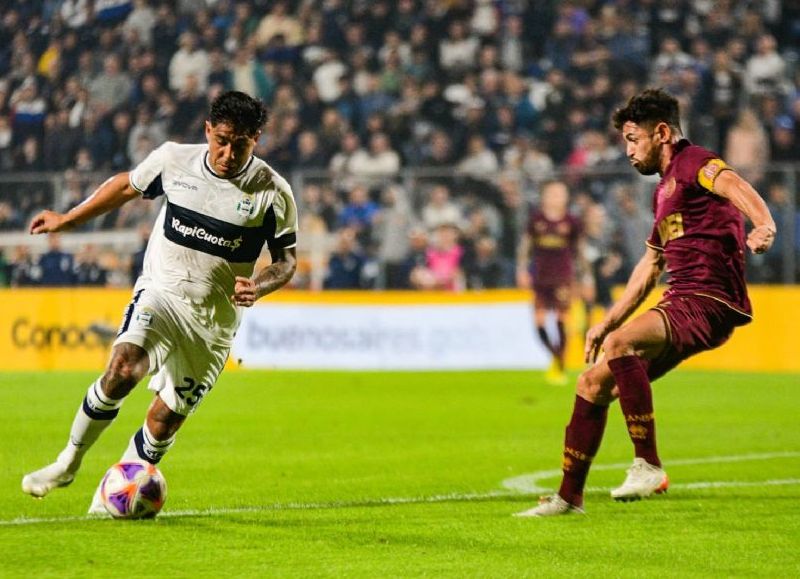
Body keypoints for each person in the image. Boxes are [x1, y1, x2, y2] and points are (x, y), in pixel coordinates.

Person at [21, 91, 298, 515]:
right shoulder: (173, 160)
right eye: (221, 139)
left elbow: (286, 261)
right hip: (162, 292)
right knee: (123, 367)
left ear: (256, 139)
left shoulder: (272, 192)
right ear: (207, 130)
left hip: (212, 321)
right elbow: (125, 186)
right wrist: (68, 219)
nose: (227, 153)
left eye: (240, 143)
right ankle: (67, 462)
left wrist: (258, 287)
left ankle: (116, 492)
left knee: (164, 419)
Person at [516, 88, 776, 517]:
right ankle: (568, 498)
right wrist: (606, 321)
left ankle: (648, 464)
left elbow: (733, 183)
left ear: (661, 133)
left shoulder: (695, 162)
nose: (628, 151)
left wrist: (763, 224)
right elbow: (650, 264)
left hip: (707, 297)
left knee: (622, 345)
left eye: (633, 139)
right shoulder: (663, 192)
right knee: (591, 383)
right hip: (683, 300)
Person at [517, 180, 583, 385]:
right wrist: (521, 270)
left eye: (561, 193)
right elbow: (525, 247)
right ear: (544, 196)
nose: (557, 197)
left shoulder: (572, 222)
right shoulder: (536, 220)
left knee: (562, 319)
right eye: (553, 193)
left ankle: (559, 364)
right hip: (540, 277)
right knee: (539, 321)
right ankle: (555, 357)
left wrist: (585, 278)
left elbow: (579, 251)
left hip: (563, 277)